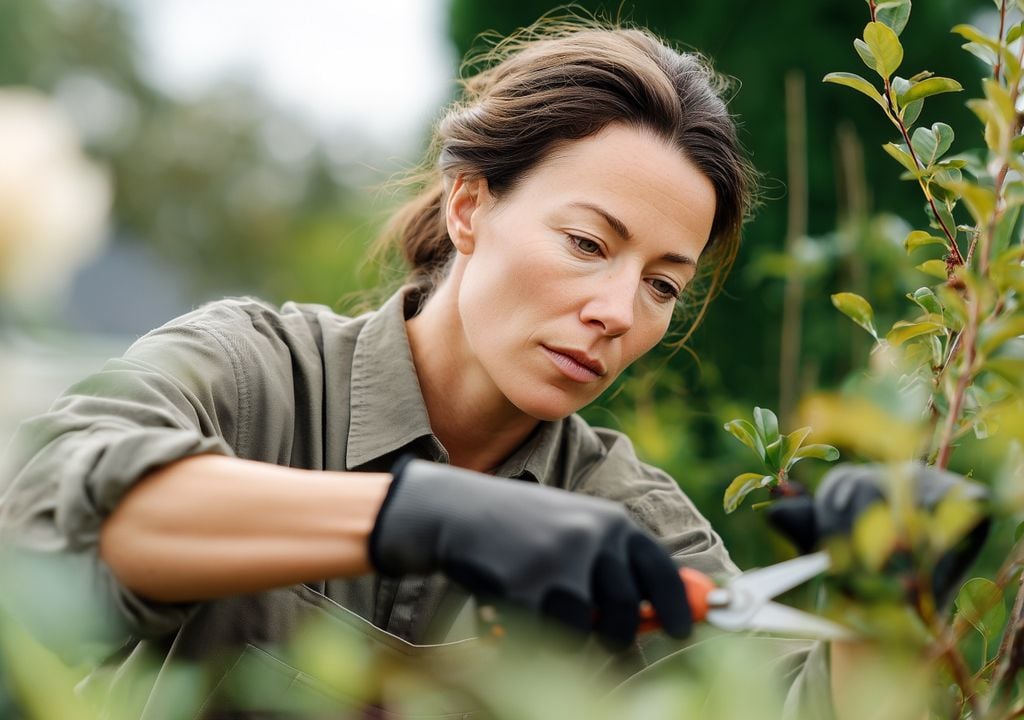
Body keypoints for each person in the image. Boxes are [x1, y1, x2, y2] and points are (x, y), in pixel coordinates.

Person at [1, 16, 929, 720]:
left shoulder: (628, 524)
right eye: (586, 242)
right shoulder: (255, 378)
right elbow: (47, 524)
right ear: (469, 206)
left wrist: (882, 605)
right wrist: (429, 516)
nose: (617, 310)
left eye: (661, 285)